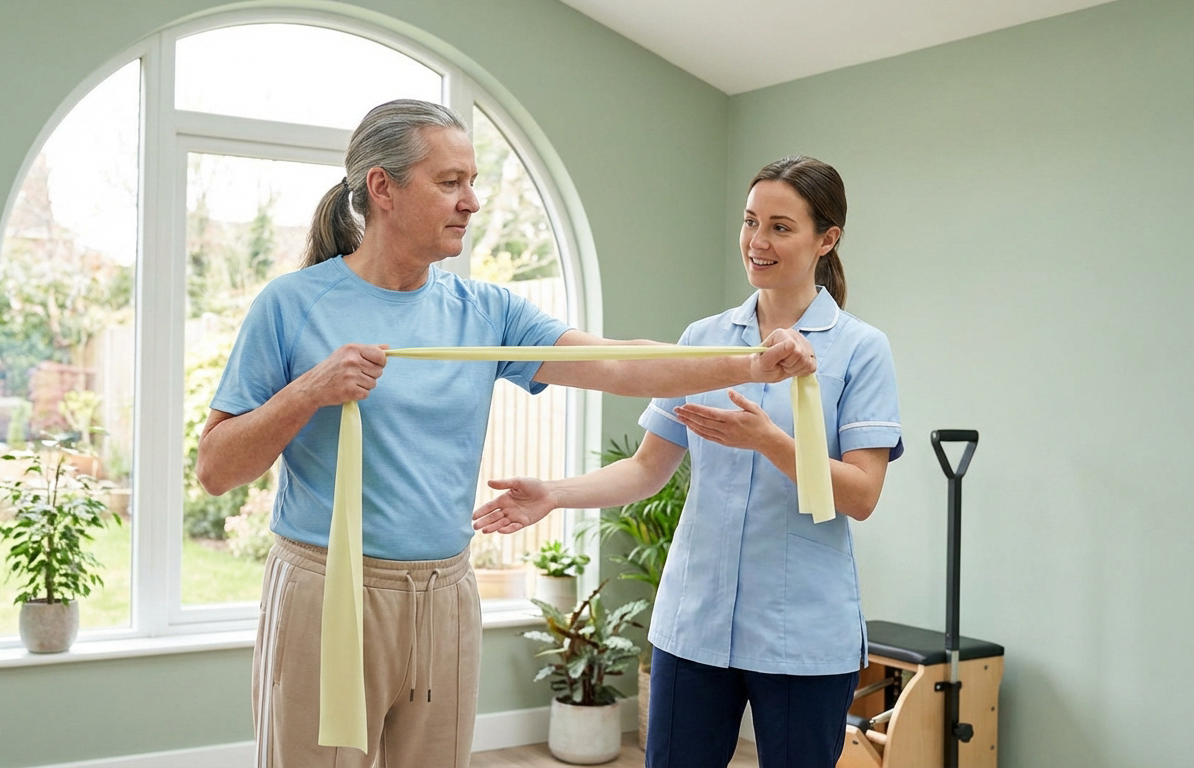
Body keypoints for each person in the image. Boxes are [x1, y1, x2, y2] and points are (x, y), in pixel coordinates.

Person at [194, 99, 818, 768]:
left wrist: (753, 363)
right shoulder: (290, 305)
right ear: (383, 188)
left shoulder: (484, 310)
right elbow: (217, 469)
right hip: (327, 589)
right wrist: (311, 390)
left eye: (473, 182)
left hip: (444, 592)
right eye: (450, 182)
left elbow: (616, 362)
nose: (472, 202)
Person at [473, 156, 903, 768]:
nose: (757, 242)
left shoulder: (861, 349)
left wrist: (767, 440)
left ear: (826, 238)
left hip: (802, 632)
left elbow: (861, 495)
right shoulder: (702, 341)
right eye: (751, 221)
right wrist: (554, 493)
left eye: (781, 227)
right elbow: (648, 469)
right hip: (694, 624)